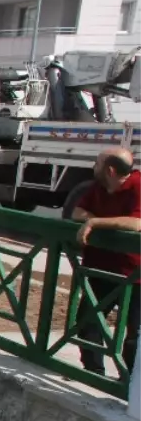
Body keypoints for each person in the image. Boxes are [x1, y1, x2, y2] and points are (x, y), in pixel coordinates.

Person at [71, 147, 141, 381]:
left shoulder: (139, 186)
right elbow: (77, 211)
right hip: (100, 268)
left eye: (97, 163)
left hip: (134, 275)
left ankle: (129, 383)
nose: (93, 166)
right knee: (87, 321)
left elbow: (136, 224)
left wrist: (96, 223)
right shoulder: (98, 187)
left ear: (109, 170)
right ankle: (94, 375)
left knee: (135, 333)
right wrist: (93, 221)